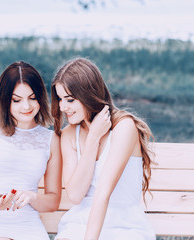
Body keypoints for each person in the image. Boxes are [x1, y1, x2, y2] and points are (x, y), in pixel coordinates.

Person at [51, 57, 156, 240]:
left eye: (69, 100)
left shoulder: (124, 128)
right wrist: (93, 139)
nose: (62, 107)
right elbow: (76, 195)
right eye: (60, 99)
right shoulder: (68, 135)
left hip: (124, 226)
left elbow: (103, 193)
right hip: (79, 224)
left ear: (88, 95)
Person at [0, 61, 62, 240]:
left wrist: (32, 197)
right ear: (5, 100)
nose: (26, 106)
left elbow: (53, 201)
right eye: (16, 100)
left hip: (27, 226)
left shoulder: (50, 140)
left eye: (32, 98)